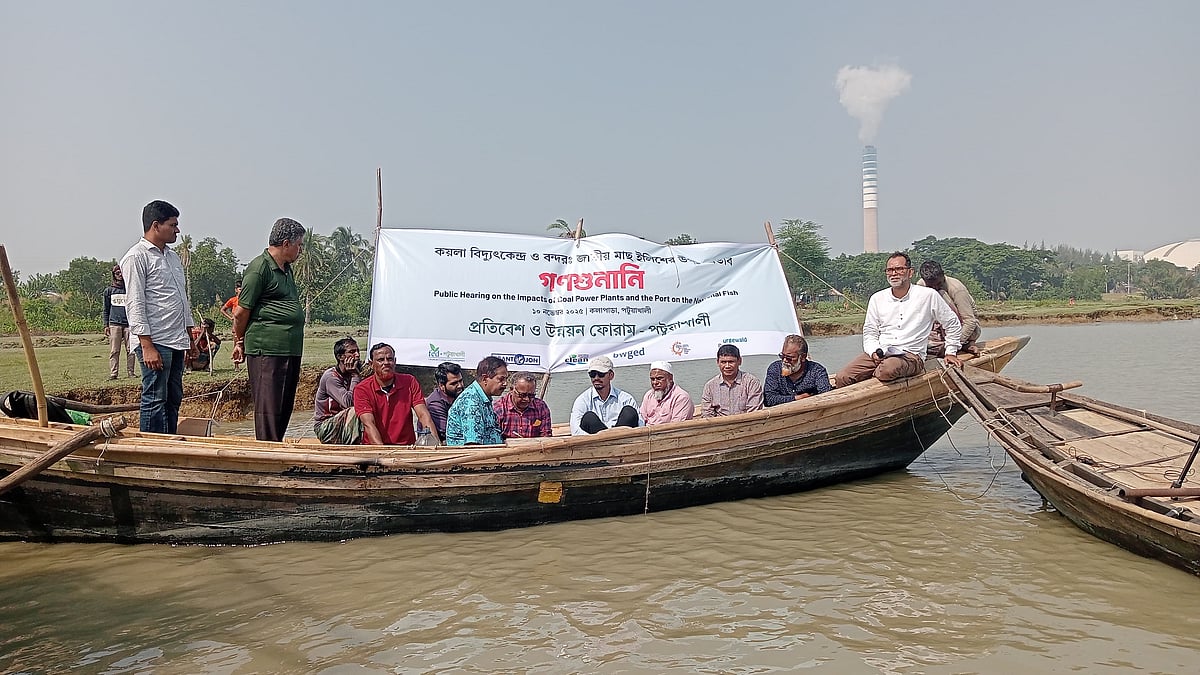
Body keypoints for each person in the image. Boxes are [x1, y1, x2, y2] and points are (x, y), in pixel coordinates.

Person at [834, 252, 964, 388]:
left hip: (911, 355)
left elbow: (952, 323)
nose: (894, 273)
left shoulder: (927, 296)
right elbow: (870, 332)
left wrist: (951, 352)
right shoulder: (877, 298)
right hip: (881, 352)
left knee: (887, 370)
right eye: (890, 270)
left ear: (910, 272)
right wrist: (873, 351)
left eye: (899, 269)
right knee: (842, 377)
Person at [121, 200, 195, 434]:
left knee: (174, 396)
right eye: (173, 225)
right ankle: (151, 447)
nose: (177, 230)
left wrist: (189, 335)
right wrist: (146, 345)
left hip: (175, 338)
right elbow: (135, 303)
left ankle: (169, 441)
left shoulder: (172, 257)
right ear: (156, 225)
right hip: (155, 340)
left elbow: (181, 298)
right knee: (154, 397)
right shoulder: (136, 257)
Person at [231, 218, 306, 441]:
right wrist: (239, 341)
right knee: (269, 408)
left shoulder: (286, 269)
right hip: (267, 349)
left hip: (289, 349)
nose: (300, 250)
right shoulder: (259, 269)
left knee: (284, 405)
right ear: (285, 243)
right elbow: (241, 312)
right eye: (299, 245)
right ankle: (267, 453)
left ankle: (276, 446)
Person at [353, 343, 440, 445]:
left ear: (395, 361)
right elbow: (369, 424)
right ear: (371, 364)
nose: (386, 363)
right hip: (376, 449)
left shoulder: (409, 381)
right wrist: (383, 454)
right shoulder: (362, 389)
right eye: (381, 360)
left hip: (406, 448)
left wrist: (436, 446)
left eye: (389, 359)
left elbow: (423, 415)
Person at [917, 260, 981, 356]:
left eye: (938, 284)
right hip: (939, 328)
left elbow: (970, 322)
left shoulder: (957, 289)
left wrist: (952, 344)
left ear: (943, 274)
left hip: (965, 329)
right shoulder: (921, 286)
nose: (935, 287)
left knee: (940, 294)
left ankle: (963, 343)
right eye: (931, 286)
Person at [445, 356, 509, 446]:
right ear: (485, 379)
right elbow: (473, 446)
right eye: (501, 379)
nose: (505, 383)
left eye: (506, 379)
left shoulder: (483, 398)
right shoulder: (471, 402)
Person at [570, 356, 641, 434]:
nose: (596, 378)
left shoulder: (626, 398)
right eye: (592, 374)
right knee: (589, 417)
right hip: (595, 443)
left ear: (611, 375)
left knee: (629, 412)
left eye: (601, 374)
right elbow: (575, 430)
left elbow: (640, 424)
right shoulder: (583, 400)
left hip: (622, 440)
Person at [313, 337, 364, 444]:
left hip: (344, 424)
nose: (357, 355)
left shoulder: (353, 373)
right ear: (340, 357)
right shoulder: (331, 377)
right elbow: (349, 403)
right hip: (326, 427)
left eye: (358, 351)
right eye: (352, 352)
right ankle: (354, 446)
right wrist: (355, 375)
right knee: (356, 410)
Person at [763, 334, 831, 406]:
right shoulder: (775, 369)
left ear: (803, 357)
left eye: (789, 358)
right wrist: (797, 398)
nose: (785, 361)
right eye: (782, 356)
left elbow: (826, 396)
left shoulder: (817, 370)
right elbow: (769, 399)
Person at [701, 344, 764, 417]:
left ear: (739, 361)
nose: (727, 366)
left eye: (731, 362)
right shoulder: (710, 386)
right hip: (719, 426)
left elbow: (754, 413)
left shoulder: (752, 383)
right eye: (723, 362)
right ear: (718, 362)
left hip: (747, 425)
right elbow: (707, 413)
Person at [493, 371, 553, 439]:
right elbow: (494, 439)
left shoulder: (541, 407)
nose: (527, 399)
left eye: (531, 395)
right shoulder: (498, 408)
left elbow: (546, 436)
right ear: (511, 390)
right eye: (522, 395)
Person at [101, 264, 135, 379]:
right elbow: (106, 309)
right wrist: (106, 325)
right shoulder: (109, 291)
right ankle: (114, 373)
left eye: (121, 273)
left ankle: (131, 373)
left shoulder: (129, 289)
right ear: (114, 275)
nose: (120, 275)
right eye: (117, 273)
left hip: (129, 324)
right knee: (114, 350)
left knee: (131, 350)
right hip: (114, 324)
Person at [639, 360, 695, 425]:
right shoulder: (648, 395)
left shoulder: (681, 397)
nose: (655, 382)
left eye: (659, 378)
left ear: (670, 378)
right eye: (652, 379)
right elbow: (642, 419)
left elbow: (676, 426)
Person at [420, 361, 465, 439]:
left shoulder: (459, 396)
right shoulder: (435, 404)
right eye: (454, 383)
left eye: (460, 381)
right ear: (441, 386)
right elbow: (452, 432)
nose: (460, 386)